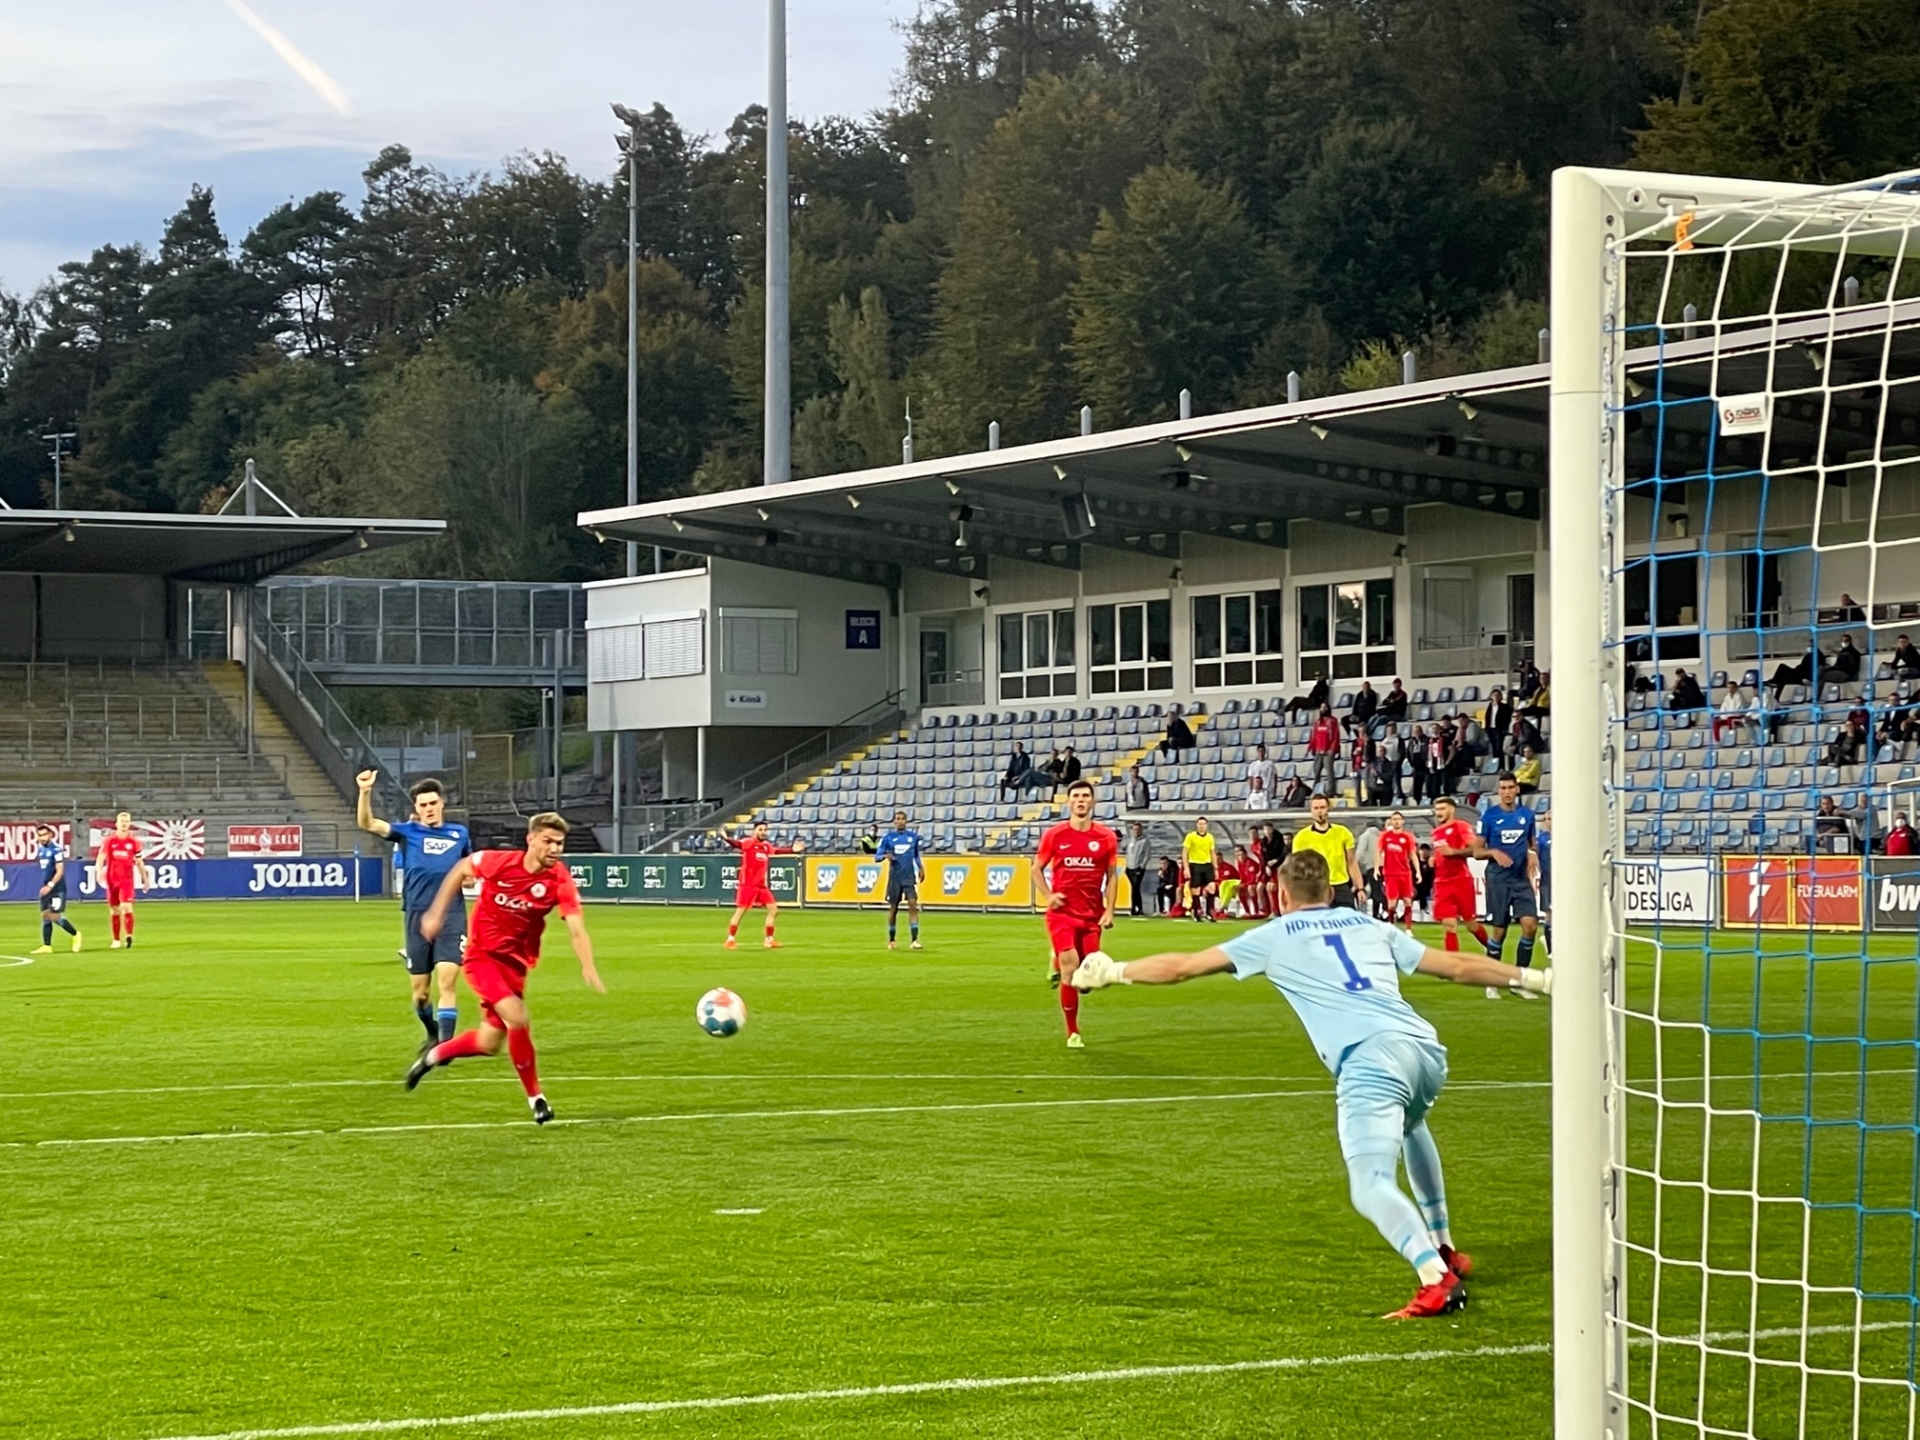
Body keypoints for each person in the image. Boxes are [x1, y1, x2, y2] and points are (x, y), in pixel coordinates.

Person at [1068, 849, 1551, 1319]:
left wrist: (1114, 972)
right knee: (1412, 1124)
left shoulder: (1274, 935)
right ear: (1331, 889)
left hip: (1370, 1061)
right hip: (1423, 1050)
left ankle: (1435, 1280)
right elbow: (1460, 967)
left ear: (1281, 895)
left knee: (1369, 1185)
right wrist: (1538, 980)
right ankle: (1443, 1247)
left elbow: (1181, 968)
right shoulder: (1370, 926)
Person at [404, 812, 604, 1125]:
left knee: (489, 1043)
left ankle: (433, 1055)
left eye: (560, 843)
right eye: (548, 841)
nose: (555, 848)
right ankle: (537, 1100)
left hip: (516, 966)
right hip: (481, 957)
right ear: (531, 840)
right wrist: (436, 913)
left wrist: (587, 964)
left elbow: (576, 927)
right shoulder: (500, 863)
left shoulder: (559, 880)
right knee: (518, 1016)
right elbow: (460, 868)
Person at [358, 772, 474, 1046]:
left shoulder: (459, 834)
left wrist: (469, 877)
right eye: (423, 805)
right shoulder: (407, 833)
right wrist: (364, 791)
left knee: (447, 979)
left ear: (442, 803)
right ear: (416, 809)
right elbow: (368, 823)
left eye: (433, 803)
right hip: (416, 917)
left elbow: (468, 867)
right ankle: (432, 1032)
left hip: (451, 915)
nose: (429, 809)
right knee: (420, 993)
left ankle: (445, 1046)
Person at [1034, 779, 1121, 1047]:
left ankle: (1056, 960)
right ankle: (1073, 1032)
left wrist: (1109, 911)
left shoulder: (1105, 836)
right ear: (1069, 802)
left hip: (1091, 915)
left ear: (1093, 802)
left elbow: (1112, 875)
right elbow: (1036, 869)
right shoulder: (1055, 835)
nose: (1081, 800)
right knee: (1071, 970)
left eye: (1086, 796)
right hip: (1062, 914)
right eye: (1076, 796)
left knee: (1086, 982)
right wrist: (1049, 896)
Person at [1472, 773, 1543, 1000]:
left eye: (1511, 787)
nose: (1507, 792)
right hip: (1498, 879)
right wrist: (1493, 852)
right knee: (1499, 932)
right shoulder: (1489, 817)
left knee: (1530, 926)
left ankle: (1519, 981)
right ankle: (1492, 982)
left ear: (1517, 790)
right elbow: (1476, 851)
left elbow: (1532, 843)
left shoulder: (1527, 816)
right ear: (1498, 791)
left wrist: (1533, 854)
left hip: (1520, 880)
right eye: (1503, 788)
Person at [722, 820, 806, 949]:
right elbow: (737, 844)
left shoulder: (766, 846)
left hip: (761, 885)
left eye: (765, 830)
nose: (763, 832)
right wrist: (726, 839)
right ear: (754, 831)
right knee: (740, 912)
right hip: (748, 884)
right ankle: (730, 939)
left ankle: (769, 940)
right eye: (760, 830)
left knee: (774, 910)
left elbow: (777, 851)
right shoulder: (749, 842)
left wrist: (792, 850)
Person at [1428, 796, 1490, 956]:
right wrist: (1434, 858)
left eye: (1442, 809)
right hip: (1442, 883)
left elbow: (1474, 849)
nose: (1439, 813)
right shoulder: (1435, 832)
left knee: (1471, 925)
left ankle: (1491, 948)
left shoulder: (1460, 826)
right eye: (1437, 809)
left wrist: (1454, 852)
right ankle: (1453, 963)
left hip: (1460, 880)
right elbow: (1441, 851)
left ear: (1452, 810)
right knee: (1449, 925)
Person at [94, 812, 151, 949]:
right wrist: (99, 871)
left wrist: (145, 878)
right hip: (112, 879)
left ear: (129, 823)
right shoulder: (109, 841)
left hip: (126, 879)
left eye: (127, 821)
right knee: (114, 910)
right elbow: (100, 858)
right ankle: (116, 940)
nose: (124, 823)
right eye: (122, 821)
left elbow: (139, 862)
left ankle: (129, 936)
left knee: (126, 906)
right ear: (117, 824)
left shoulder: (134, 843)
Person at [1292, 793, 1359, 908]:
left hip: (1340, 885)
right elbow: (1297, 867)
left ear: (1328, 809)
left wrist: (1360, 887)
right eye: (1316, 808)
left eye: (1322, 808)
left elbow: (1351, 862)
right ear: (1311, 810)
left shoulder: (1343, 832)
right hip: (1315, 887)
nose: (1319, 811)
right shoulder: (1301, 837)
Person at [30, 823, 82, 954]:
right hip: (46, 887)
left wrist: (50, 885)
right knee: (45, 915)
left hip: (57, 888)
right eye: (40, 835)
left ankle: (76, 934)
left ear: (50, 835)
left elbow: (60, 871)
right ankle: (47, 946)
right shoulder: (41, 850)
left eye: (44, 835)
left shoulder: (56, 850)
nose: (42, 838)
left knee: (54, 916)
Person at [877, 810, 925, 950]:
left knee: (912, 904)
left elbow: (916, 856)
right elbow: (877, 856)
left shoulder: (913, 837)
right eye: (897, 819)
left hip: (908, 876)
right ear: (894, 821)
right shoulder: (888, 838)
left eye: (902, 819)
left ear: (906, 821)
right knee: (893, 908)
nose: (900, 821)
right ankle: (892, 940)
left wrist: (921, 868)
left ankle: (914, 940)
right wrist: (886, 856)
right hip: (895, 878)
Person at [1378, 812, 1420, 931]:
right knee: (1392, 904)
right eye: (1394, 820)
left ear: (1402, 821)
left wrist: (1417, 871)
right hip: (1390, 874)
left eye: (1398, 819)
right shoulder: (1385, 837)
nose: (1396, 822)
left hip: (1405, 873)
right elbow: (1380, 854)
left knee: (1407, 901)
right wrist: (1379, 868)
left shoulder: (1407, 837)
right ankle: (1391, 925)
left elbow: (1412, 854)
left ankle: (1408, 929)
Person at [1182, 816, 1220, 922]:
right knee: (1196, 890)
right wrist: (1186, 868)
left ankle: (1210, 911)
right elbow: (1185, 852)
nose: (1201, 826)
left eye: (1203, 824)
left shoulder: (1210, 837)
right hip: (1195, 865)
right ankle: (1197, 910)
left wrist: (1215, 868)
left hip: (1207, 865)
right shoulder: (1190, 836)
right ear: (1196, 825)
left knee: (1212, 887)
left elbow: (1212, 852)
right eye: (1200, 824)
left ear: (1206, 826)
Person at [1308, 704, 1341, 796]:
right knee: (1316, 773)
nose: (1323, 709)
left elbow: (1336, 736)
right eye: (1321, 707)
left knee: (1330, 773)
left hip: (1328, 752)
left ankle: (1331, 791)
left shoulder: (1333, 721)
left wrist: (1332, 749)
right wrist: (1311, 748)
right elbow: (1314, 736)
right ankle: (1316, 791)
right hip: (1318, 751)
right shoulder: (1318, 722)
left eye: (1325, 707)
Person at [1125, 822, 1151, 915]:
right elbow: (1128, 853)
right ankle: (1135, 907)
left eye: (1137, 829)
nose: (1136, 831)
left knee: (1136, 888)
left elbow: (1147, 855)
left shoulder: (1145, 841)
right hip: (1129, 868)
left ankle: (1136, 908)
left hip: (1138, 868)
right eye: (1134, 829)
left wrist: (1142, 866)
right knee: (1134, 888)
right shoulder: (1130, 840)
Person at [1245, 744, 1277, 810]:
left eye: (1262, 751)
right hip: (1257, 791)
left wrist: (1274, 789)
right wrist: (1252, 790)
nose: (1261, 753)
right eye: (1259, 751)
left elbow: (1275, 776)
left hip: (1267, 790)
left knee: (1266, 806)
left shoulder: (1270, 764)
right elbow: (1251, 778)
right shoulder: (1253, 765)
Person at [1405, 725, 1431, 803]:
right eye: (1415, 731)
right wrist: (1411, 763)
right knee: (1417, 786)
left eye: (1418, 731)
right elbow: (1408, 753)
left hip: (1425, 766)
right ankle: (1417, 801)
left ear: (1421, 731)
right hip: (1416, 767)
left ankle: (1430, 800)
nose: (1416, 733)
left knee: (1428, 784)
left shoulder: (1426, 740)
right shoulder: (1411, 741)